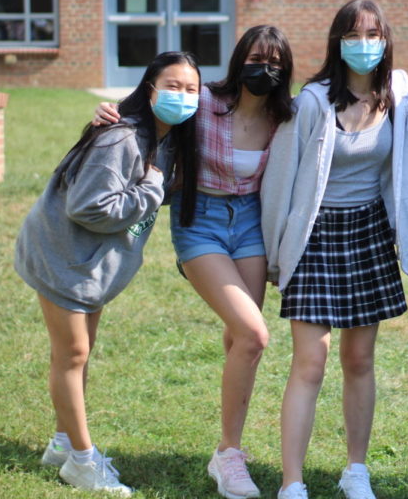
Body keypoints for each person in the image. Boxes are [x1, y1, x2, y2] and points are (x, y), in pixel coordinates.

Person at [94, 25, 295, 499]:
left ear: (284, 71)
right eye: (255, 58)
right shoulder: (203, 101)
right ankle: (229, 454)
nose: (262, 69)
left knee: (240, 338)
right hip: (199, 220)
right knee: (254, 334)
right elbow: (149, 111)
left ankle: (229, 448)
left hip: (250, 223)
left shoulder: (284, 115)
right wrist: (110, 113)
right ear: (238, 58)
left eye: (274, 63)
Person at [261, 0, 408, 499]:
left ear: (386, 40)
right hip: (314, 236)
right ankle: (292, 481)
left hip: (369, 233)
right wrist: (276, 256)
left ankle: (356, 469)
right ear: (337, 42)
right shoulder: (312, 102)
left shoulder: (400, 94)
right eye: (353, 35)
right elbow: (280, 181)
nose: (364, 44)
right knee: (309, 363)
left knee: (359, 360)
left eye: (372, 34)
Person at [16, 51, 201, 496]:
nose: (182, 95)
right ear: (150, 89)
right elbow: (88, 206)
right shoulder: (122, 139)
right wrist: (151, 190)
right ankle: (81, 462)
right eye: (172, 86)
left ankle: (62, 445)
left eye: (191, 89)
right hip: (63, 255)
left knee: (80, 351)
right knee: (73, 354)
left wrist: (155, 188)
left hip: (94, 263)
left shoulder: (169, 138)